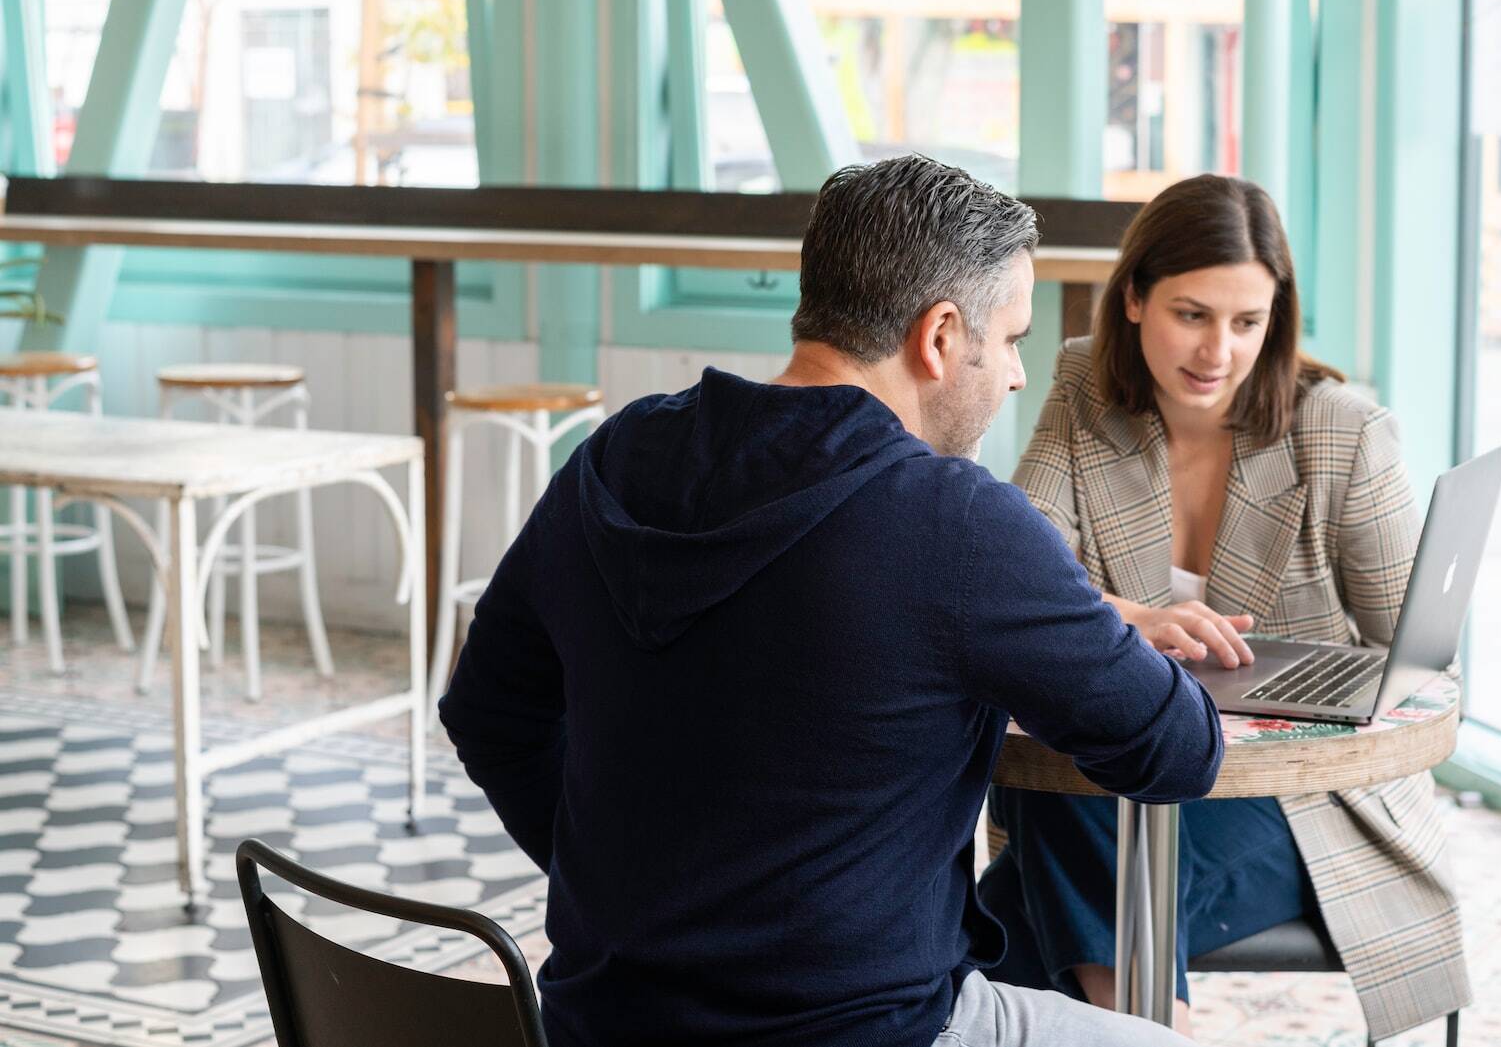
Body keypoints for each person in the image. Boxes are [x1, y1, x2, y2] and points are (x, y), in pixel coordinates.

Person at [438, 154, 1223, 1047]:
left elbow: (486, 710)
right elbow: (1177, 748)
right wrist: (1087, 615)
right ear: (938, 337)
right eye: (1010, 339)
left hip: (603, 1026)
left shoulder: (614, 459)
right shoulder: (956, 522)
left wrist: (631, 899)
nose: (1013, 375)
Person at [978, 174, 1470, 1042]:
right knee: (1073, 806)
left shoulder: (1343, 432)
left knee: (994, 916)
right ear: (1134, 298)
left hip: (1300, 802)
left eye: (1249, 322)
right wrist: (1125, 615)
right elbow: (1021, 574)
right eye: (1193, 314)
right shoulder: (1086, 384)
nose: (1219, 351)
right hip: (1128, 776)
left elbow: (1421, 662)